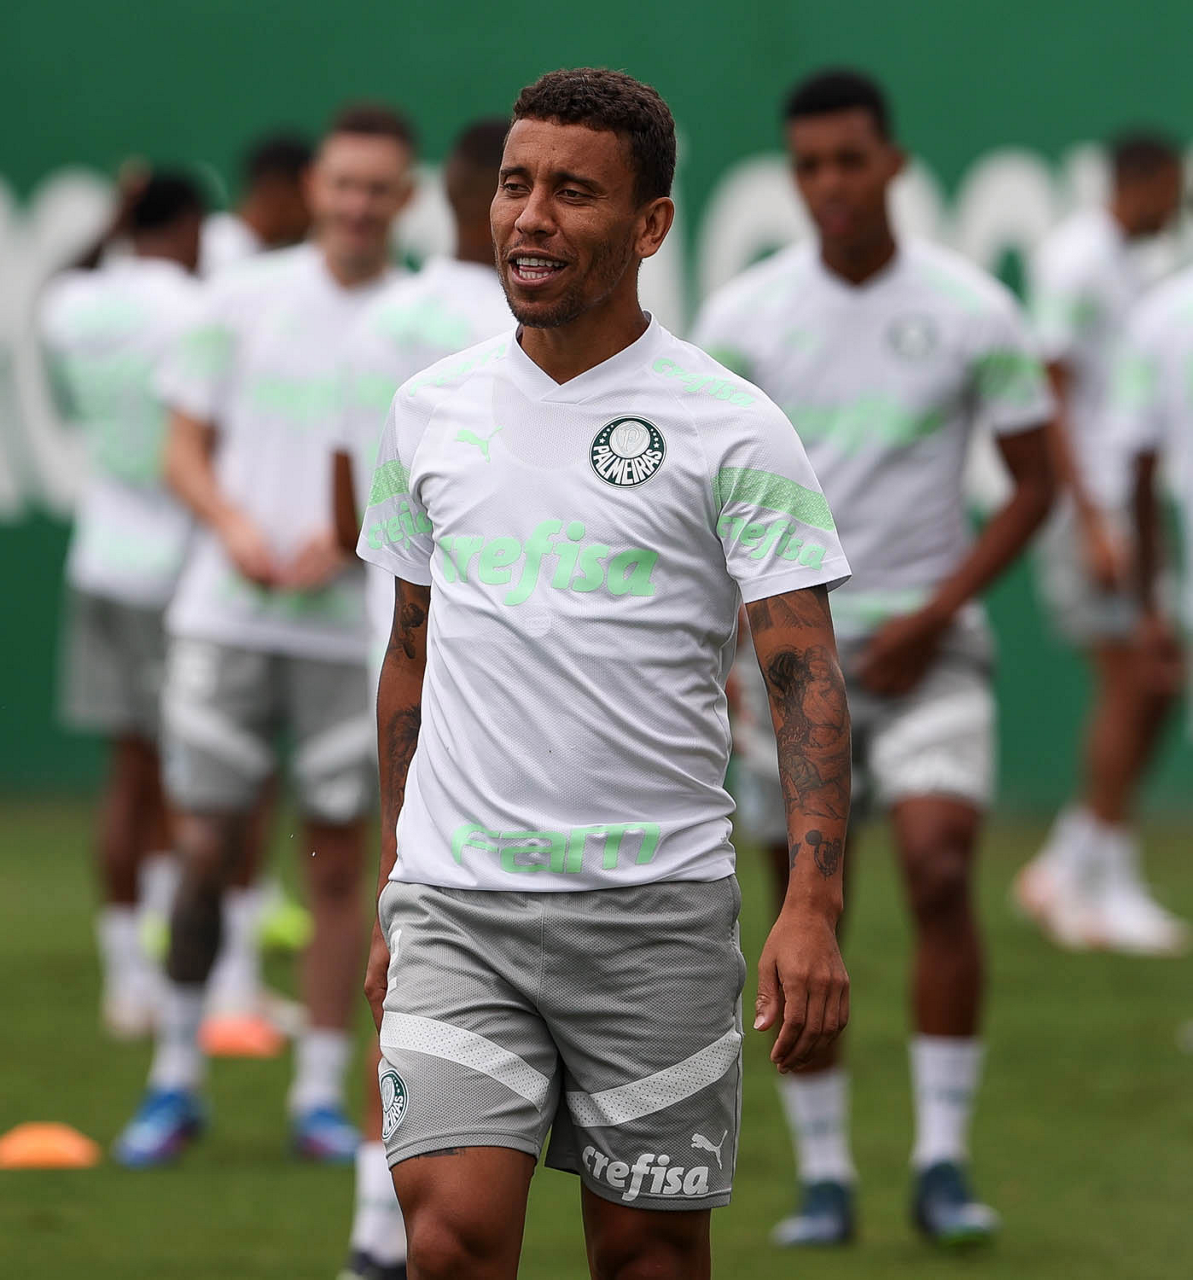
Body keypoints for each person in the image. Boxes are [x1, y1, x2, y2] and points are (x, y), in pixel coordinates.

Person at [359, 68, 851, 1280]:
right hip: (458, 905)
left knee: (646, 1258)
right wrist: (395, 876)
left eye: (571, 193)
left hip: (654, 913)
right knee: (449, 1241)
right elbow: (409, 653)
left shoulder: (733, 426)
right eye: (513, 184)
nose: (528, 217)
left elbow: (802, 674)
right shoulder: (427, 411)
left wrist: (810, 902)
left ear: (650, 224)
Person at [693, 68, 1055, 1247]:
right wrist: (729, 651)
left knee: (940, 869)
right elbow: (707, 504)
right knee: (804, 904)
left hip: (928, 648)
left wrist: (936, 611)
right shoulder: (744, 316)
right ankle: (825, 1173)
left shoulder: (970, 308)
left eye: (849, 159)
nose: (829, 184)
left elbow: (1034, 481)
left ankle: (941, 1158)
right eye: (807, 165)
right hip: (788, 662)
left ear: (892, 162)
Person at [112, 103, 417, 1168]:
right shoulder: (238, 300)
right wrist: (234, 524)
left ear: (406, 198)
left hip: (347, 636)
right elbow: (181, 449)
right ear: (314, 188)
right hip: (225, 615)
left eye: (378, 188)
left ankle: (318, 1094)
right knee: (203, 846)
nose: (357, 204)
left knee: (336, 867)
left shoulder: (421, 324)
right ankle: (175, 1075)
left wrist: (351, 537)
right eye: (343, 183)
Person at [332, 116, 512, 1280]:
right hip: (498, 683)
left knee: (399, 933)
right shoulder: (535, 320)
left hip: (396, 664)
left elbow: (342, 494)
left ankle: (372, 1220)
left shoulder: (379, 321)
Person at [40, 174, 206, 1039]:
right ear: (186, 225)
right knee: (185, 783)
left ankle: (125, 982)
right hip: (175, 572)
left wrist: (111, 219)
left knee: (126, 781)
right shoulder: (194, 310)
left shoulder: (76, 306)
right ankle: (185, 982)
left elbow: (59, 282)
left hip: (99, 560)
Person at [1014, 132, 1186, 955]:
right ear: (1141, 182)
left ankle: (1069, 863)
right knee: (1128, 679)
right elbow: (1049, 393)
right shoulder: (1077, 263)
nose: (1178, 205)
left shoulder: (1126, 264)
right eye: (1173, 188)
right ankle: (1104, 880)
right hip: (1095, 508)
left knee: (1156, 680)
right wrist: (1090, 521)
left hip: (1125, 503)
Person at [199, 132, 313, 276]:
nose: (316, 208)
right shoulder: (218, 250)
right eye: (310, 194)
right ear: (281, 191)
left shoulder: (262, 255)